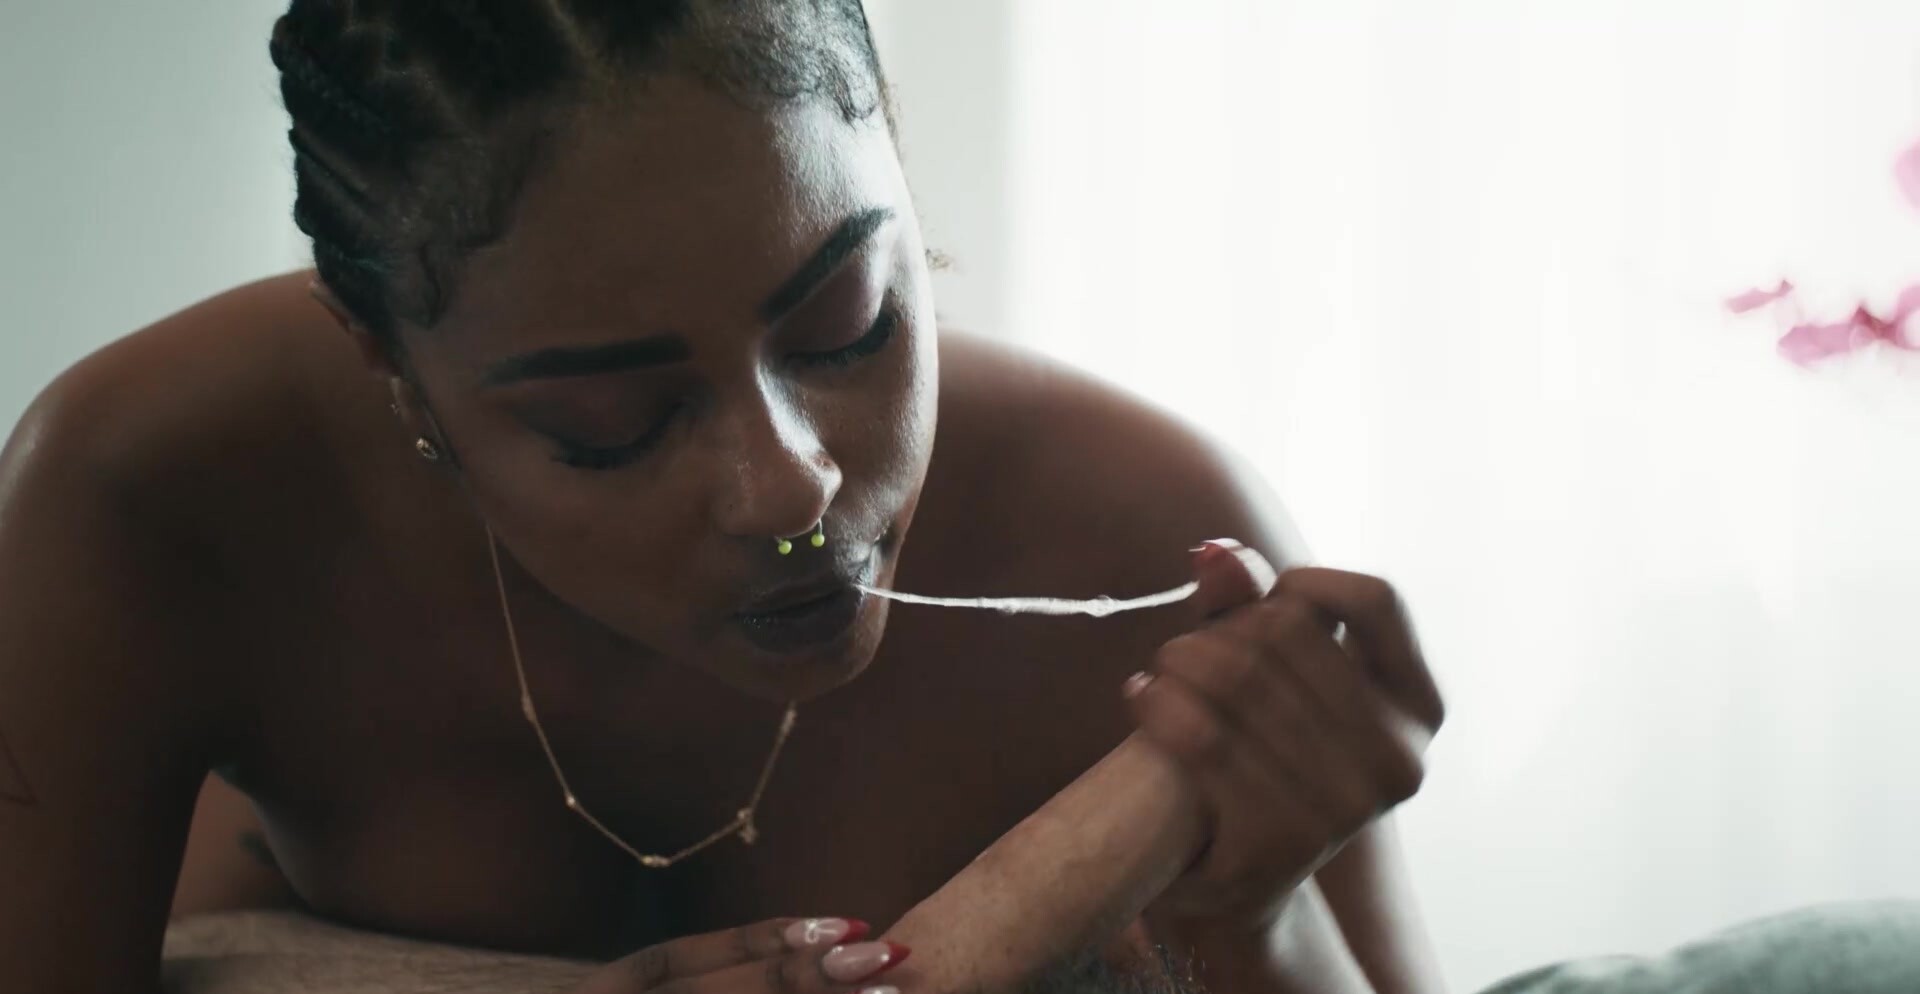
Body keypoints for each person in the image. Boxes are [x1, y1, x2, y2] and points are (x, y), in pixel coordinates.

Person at [0, 3, 1448, 993]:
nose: (792, 487)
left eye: (846, 326)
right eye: (612, 424)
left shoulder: (1150, 531)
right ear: (395, 374)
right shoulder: (145, 494)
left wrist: (1252, 912)